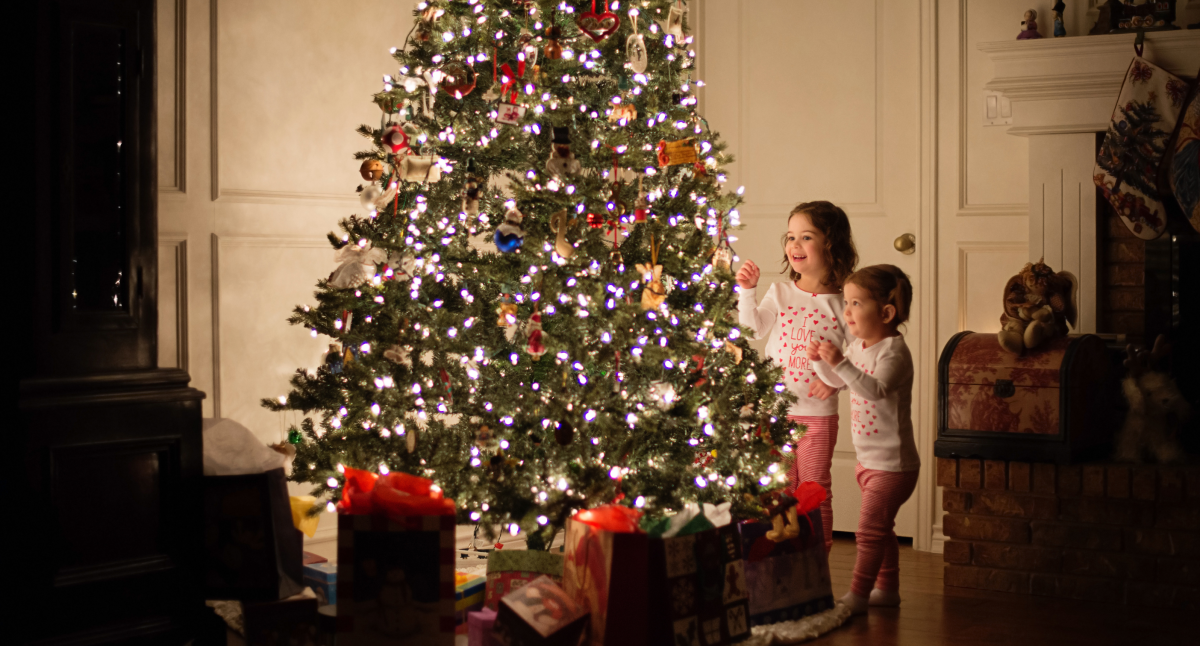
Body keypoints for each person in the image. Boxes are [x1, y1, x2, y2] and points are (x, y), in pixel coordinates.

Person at [736, 201, 858, 553]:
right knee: (781, 488)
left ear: (831, 244)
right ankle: (785, 556)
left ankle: (817, 556)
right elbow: (751, 329)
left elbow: (862, 358)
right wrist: (748, 291)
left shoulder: (845, 302)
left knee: (815, 487)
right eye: (791, 236)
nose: (794, 245)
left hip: (817, 416)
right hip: (776, 412)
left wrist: (836, 381)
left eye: (806, 237)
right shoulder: (781, 293)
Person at [807, 265, 919, 615]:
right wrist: (820, 364)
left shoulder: (893, 353)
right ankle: (887, 590)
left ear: (886, 313)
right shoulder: (858, 347)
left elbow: (874, 390)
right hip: (869, 461)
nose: (847, 312)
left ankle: (857, 595)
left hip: (893, 466)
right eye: (847, 302)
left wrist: (840, 362)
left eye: (856, 303)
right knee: (882, 530)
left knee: (868, 531)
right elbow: (843, 381)